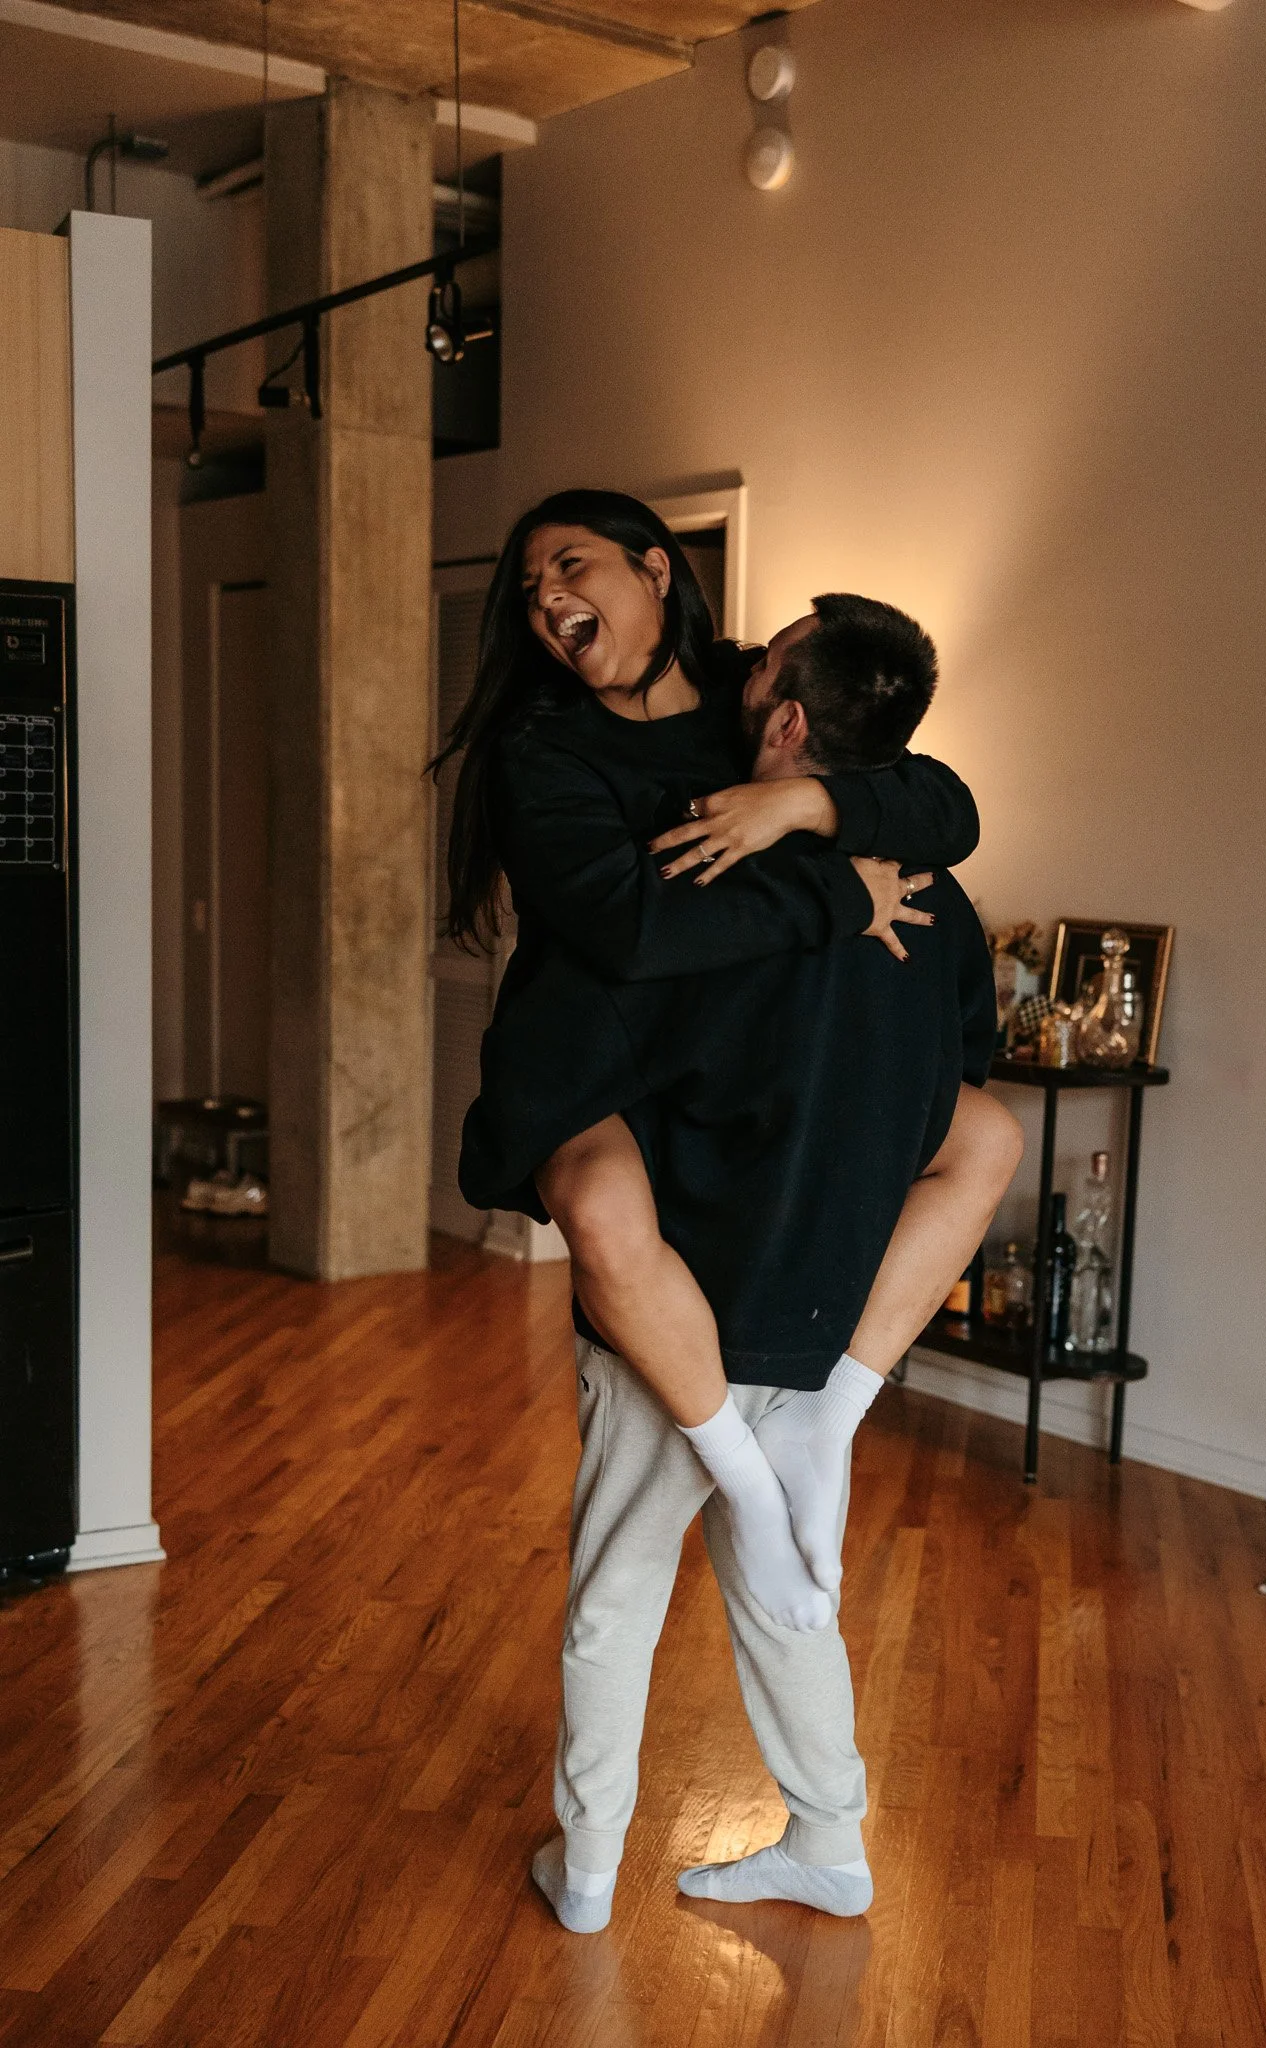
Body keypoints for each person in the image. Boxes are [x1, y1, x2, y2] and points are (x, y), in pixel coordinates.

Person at [433, 493, 1022, 1927]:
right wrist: (829, 888)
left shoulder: (766, 714)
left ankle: (702, 1849)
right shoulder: (549, 754)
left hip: (746, 1197)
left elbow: (938, 799)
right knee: (726, 1561)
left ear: (657, 570)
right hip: (658, 1156)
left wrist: (808, 805)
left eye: (566, 563)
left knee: (681, 1571)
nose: (542, 598)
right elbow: (636, 928)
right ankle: (692, 1841)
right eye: (526, 586)